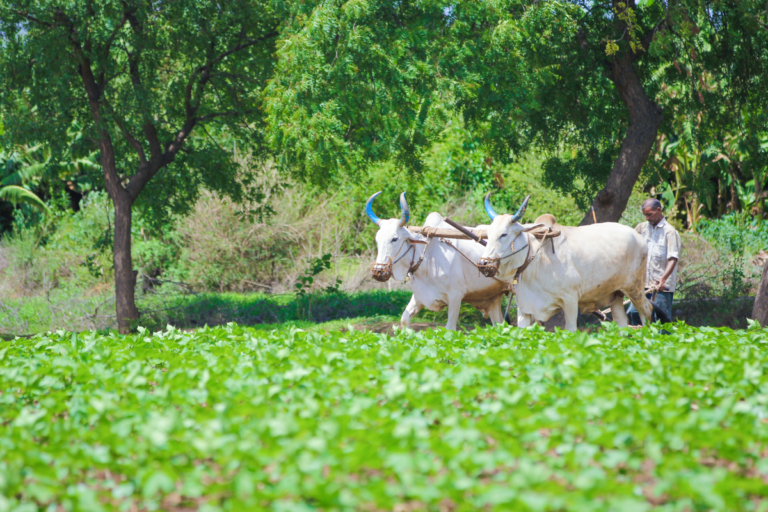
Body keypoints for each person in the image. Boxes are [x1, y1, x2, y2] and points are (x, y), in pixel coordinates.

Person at [627, 198, 681, 324]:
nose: (647, 218)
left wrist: (662, 280)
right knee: (633, 312)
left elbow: (673, 259)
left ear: (658, 210)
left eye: (649, 214)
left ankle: (663, 343)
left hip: (661, 286)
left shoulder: (670, 232)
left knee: (661, 320)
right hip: (643, 284)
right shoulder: (642, 228)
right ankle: (642, 341)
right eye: (645, 215)